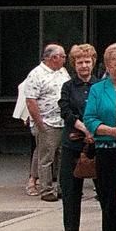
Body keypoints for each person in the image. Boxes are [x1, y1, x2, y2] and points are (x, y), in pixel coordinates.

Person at [84, 42, 116, 231]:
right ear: (108, 66)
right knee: (110, 202)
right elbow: (89, 118)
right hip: (107, 152)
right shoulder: (97, 89)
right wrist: (110, 131)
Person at [23, 43, 70, 202]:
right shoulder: (36, 74)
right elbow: (31, 101)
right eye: (63, 56)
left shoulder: (62, 71)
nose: (65, 59)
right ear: (54, 58)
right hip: (47, 123)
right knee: (46, 158)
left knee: (64, 156)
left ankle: (63, 188)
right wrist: (40, 123)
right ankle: (46, 189)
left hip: (63, 121)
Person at [58, 44, 97, 230]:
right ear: (74, 64)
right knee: (71, 194)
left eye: (87, 61)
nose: (84, 66)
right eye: (80, 62)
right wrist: (84, 128)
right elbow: (65, 111)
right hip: (73, 143)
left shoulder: (100, 86)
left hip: (97, 144)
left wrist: (93, 130)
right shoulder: (67, 86)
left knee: (106, 193)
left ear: (93, 63)